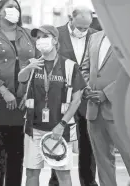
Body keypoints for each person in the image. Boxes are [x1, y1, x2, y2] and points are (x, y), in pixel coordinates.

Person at [0, 0, 39, 185]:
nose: (14, 10)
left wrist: (28, 91)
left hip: (23, 101)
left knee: (17, 155)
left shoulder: (28, 34)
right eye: (9, 7)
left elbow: (36, 65)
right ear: (0, 12)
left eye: (16, 7)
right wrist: (4, 91)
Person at [18, 25, 86, 186]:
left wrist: (61, 125)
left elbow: (76, 100)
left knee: (63, 174)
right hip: (34, 128)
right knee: (31, 172)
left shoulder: (69, 66)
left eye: (45, 36)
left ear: (55, 40)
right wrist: (28, 67)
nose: (40, 40)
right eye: (38, 37)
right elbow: (21, 78)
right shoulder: (34, 63)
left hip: (60, 129)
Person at [49, 6, 98, 186]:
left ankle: (89, 181)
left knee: (88, 142)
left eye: (86, 28)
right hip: (63, 97)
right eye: (80, 27)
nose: (83, 31)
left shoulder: (96, 35)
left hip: (86, 98)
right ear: (71, 18)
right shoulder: (57, 34)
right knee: (60, 140)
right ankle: (55, 181)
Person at [81, 30, 130, 186]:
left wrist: (106, 93)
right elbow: (85, 67)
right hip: (94, 109)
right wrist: (86, 87)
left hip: (120, 110)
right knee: (103, 162)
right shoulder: (94, 37)